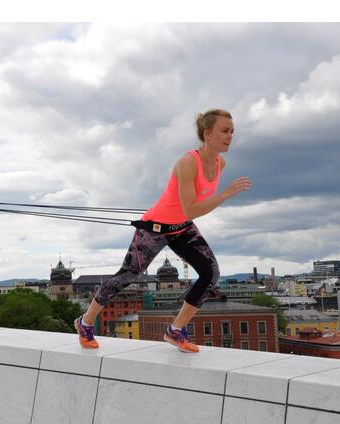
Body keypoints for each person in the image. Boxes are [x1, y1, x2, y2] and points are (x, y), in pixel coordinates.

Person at [74, 109, 251, 352]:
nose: (230, 136)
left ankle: (176, 330)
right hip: (155, 229)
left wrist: (222, 195)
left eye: (232, 131)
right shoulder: (188, 163)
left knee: (210, 273)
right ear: (207, 134)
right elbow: (190, 209)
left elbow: (188, 211)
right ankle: (85, 323)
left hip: (182, 228)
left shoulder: (221, 163)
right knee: (127, 275)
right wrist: (226, 194)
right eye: (224, 131)